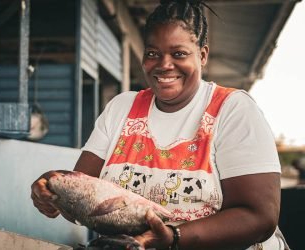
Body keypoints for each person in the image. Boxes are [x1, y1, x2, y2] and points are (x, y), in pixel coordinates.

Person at [31, 0, 289, 249]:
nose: (164, 65)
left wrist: (173, 237)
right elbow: (83, 190)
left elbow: (259, 218)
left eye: (179, 53)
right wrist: (52, 189)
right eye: (153, 53)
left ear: (202, 55)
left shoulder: (233, 109)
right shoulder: (122, 108)